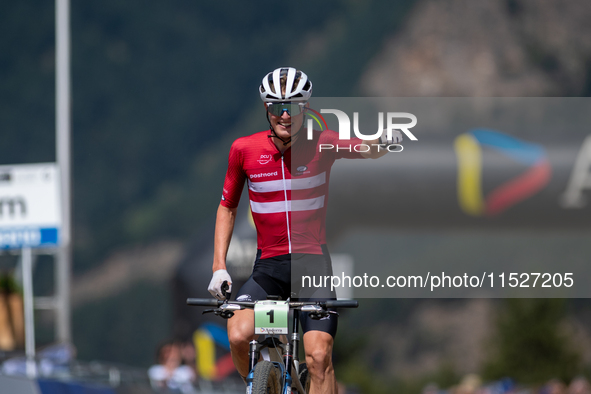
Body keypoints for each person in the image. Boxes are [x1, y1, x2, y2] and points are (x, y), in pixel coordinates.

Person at [208, 67, 401, 394]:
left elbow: (363, 146)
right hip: (269, 267)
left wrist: (383, 141)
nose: (285, 115)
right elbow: (227, 206)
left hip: (313, 268)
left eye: (294, 107)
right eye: (276, 107)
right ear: (266, 109)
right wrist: (218, 267)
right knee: (239, 335)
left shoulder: (322, 143)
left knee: (318, 356)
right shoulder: (244, 150)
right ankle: (264, 384)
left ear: (306, 109)